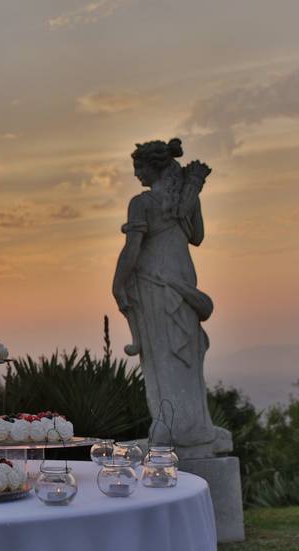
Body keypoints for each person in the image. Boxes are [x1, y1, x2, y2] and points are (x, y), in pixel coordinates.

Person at [112, 137, 218, 452]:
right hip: (184, 281)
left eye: (138, 167)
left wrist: (118, 283)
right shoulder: (185, 199)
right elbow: (197, 236)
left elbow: (131, 250)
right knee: (183, 354)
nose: (136, 175)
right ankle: (191, 425)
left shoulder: (142, 203)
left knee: (161, 356)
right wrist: (191, 195)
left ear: (152, 167)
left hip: (155, 283)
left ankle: (172, 427)